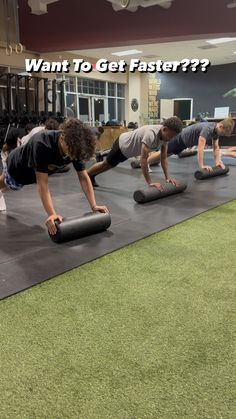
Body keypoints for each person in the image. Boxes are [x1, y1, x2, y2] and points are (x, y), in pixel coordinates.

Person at [0, 118, 108, 234]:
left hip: (32, 174)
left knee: (10, 188)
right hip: (17, 167)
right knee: (9, 184)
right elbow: (43, 184)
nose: (72, 157)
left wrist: (94, 205)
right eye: (70, 152)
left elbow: (83, 177)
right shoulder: (42, 143)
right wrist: (52, 214)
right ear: (62, 138)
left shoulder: (76, 148)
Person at [87, 117, 183, 190]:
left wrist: (167, 178)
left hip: (128, 151)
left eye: (173, 137)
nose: (171, 139)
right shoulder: (151, 134)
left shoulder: (165, 137)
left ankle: (91, 175)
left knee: (109, 165)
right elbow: (144, 160)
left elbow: (164, 158)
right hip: (122, 145)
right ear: (164, 129)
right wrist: (149, 182)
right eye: (171, 136)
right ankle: (86, 176)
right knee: (106, 164)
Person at [141, 118, 235, 171]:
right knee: (164, 153)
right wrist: (202, 165)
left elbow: (216, 148)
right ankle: (145, 164)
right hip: (180, 138)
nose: (221, 135)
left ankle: (151, 161)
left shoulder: (215, 132)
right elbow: (200, 148)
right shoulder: (208, 129)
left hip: (184, 143)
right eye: (222, 133)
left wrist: (218, 161)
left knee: (168, 154)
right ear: (220, 126)